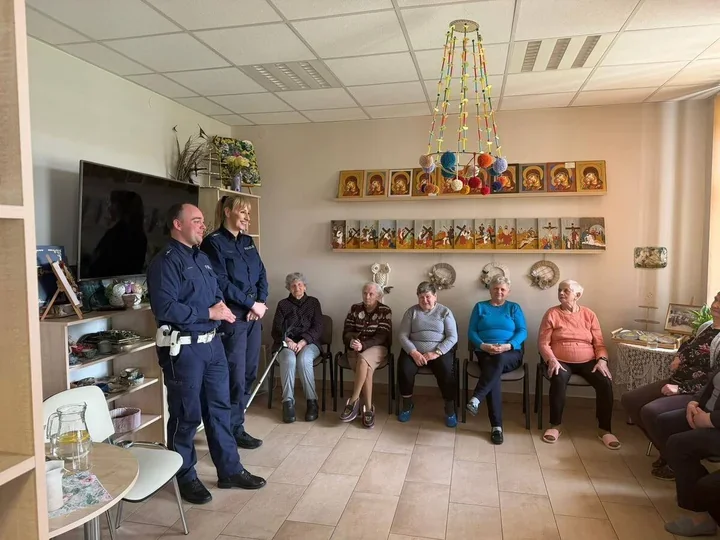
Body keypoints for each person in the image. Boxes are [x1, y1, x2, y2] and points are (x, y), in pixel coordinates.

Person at [146, 203, 265, 504]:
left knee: (220, 410)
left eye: (202, 221)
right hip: (184, 348)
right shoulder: (165, 262)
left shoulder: (202, 258)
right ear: (177, 224)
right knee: (186, 415)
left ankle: (230, 470)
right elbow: (165, 308)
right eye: (196, 221)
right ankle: (185, 476)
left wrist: (221, 308)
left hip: (213, 345)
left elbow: (216, 293)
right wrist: (208, 312)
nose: (202, 226)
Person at [621, 294, 720, 480]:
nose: (716, 305)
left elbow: (713, 379)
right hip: (677, 380)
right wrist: (679, 357)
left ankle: (674, 461)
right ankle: (668, 452)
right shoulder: (706, 326)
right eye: (716, 300)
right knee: (630, 400)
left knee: (651, 411)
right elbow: (688, 344)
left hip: (695, 390)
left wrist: (681, 389)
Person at [200, 194, 268, 450]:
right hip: (233, 319)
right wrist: (251, 304)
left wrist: (260, 303)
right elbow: (221, 282)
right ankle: (228, 430)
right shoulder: (213, 243)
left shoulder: (248, 242)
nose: (248, 217)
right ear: (227, 212)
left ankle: (236, 425)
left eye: (249, 213)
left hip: (253, 316)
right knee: (234, 377)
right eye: (243, 212)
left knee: (250, 373)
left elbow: (262, 274)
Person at [653, 320, 720, 538]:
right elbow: (712, 380)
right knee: (666, 424)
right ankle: (693, 494)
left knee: (680, 445)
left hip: (715, 421)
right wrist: (694, 402)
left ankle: (701, 513)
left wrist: (710, 420)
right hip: (706, 411)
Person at [538, 279, 620, 449]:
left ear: (577, 295)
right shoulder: (552, 313)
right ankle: (555, 425)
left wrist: (602, 361)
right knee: (558, 378)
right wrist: (551, 360)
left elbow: (599, 344)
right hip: (560, 360)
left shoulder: (589, 314)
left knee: (605, 381)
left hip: (588, 361)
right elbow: (543, 343)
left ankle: (605, 429)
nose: (561, 293)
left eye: (566, 290)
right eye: (559, 290)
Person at [466, 275, 527, 444]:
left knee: (496, 363)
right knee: (494, 370)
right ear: (490, 290)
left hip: (511, 353)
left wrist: (508, 346)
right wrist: (483, 346)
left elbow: (522, 331)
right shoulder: (480, 307)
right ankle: (497, 428)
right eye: (495, 288)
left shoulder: (514, 308)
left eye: (502, 289)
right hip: (485, 352)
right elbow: (472, 332)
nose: (499, 291)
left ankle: (477, 398)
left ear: (508, 292)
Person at [397, 282, 459, 427]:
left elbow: (452, 337)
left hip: (438, 352)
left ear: (435, 296)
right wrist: (414, 353)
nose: (425, 300)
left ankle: (450, 409)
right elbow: (402, 335)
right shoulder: (411, 312)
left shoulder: (445, 312)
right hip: (415, 351)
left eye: (428, 296)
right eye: (421, 297)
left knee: (446, 371)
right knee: (404, 369)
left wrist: (436, 353)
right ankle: (407, 405)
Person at [271, 272, 324, 424]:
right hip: (286, 343)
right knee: (289, 360)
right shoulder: (283, 304)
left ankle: (312, 402)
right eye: (293, 286)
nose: (297, 288)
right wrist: (288, 341)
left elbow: (318, 327)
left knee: (304, 359)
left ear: (305, 287)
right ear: (289, 288)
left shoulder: (313, 302)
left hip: (309, 343)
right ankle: (288, 403)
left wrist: (303, 342)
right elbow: (276, 329)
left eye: (300, 285)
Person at [339, 282, 392, 428]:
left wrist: (364, 345)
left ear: (378, 296)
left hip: (377, 348)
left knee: (363, 359)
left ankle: (353, 400)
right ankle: (368, 408)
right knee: (366, 368)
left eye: (371, 294)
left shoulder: (385, 310)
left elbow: (382, 336)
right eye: (365, 293)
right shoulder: (354, 308)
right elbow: (347, 331)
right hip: (355, 349)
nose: (367, 296)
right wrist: (351, 341)